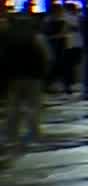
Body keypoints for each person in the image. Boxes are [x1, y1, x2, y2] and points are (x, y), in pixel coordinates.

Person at [2, 14, 51, 150]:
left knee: (13, 106)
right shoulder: (37, 38)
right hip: (34, 76)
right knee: (34, 105)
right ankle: (33, 131)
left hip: (14, 77)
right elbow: (47, 56)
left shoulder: (9, 40)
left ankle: (11, 133)